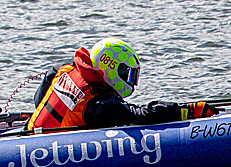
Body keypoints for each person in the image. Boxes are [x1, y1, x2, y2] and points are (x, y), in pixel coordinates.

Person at [26, 38, 218, 131]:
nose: (131, 81)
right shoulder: (99, 104)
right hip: (50, 153)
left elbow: (38, 102)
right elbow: (143, 115)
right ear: (110, 67)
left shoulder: (64, 69)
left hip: (30, 134)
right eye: (128, 74)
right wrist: (189, 110)